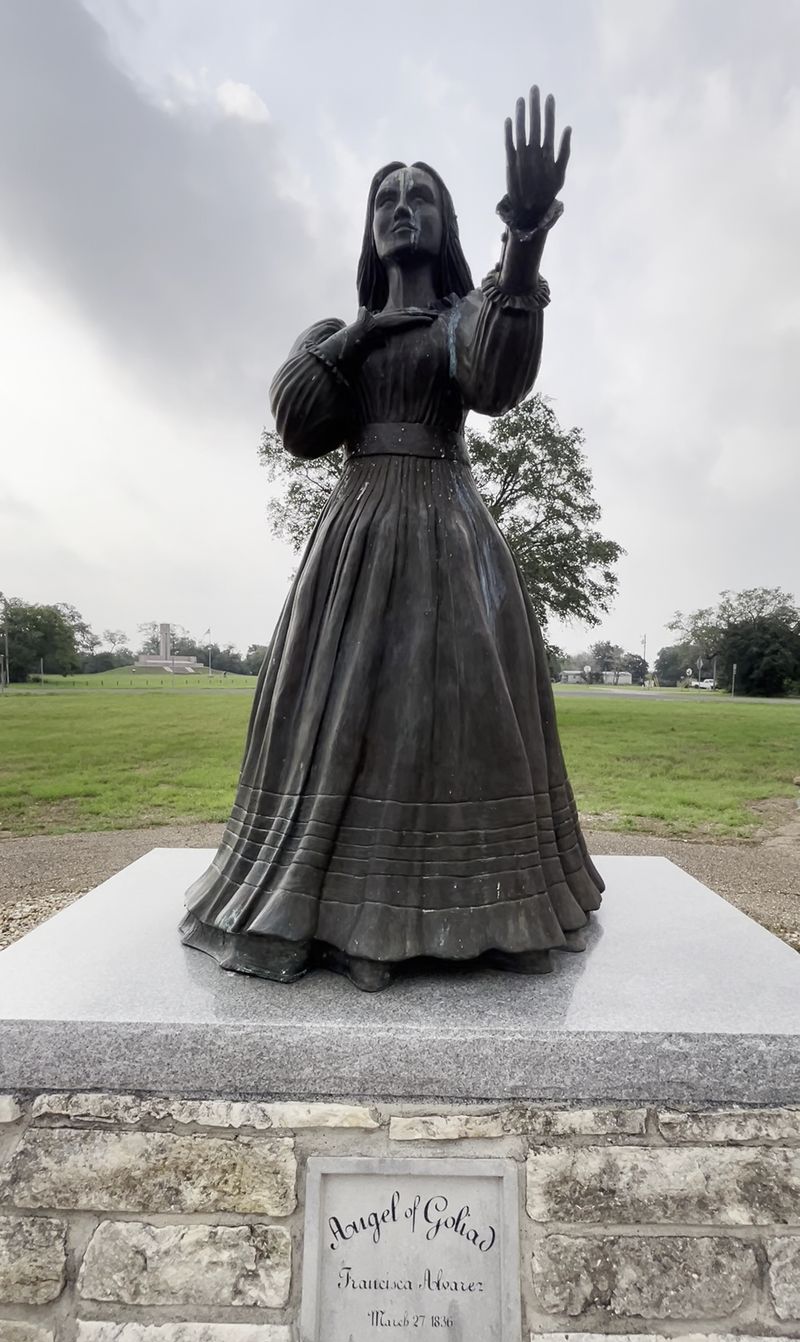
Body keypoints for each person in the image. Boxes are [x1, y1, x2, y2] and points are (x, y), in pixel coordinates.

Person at [180, 88, 604, 991]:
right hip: (355, 539)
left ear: (448, 223)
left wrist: (523, 237)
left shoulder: (463, 319)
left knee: (455, 716)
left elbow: (495, 378)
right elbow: (300, 425)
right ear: (369, 230)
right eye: (386, 198)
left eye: (422, 196)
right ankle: (322, 904)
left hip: (449, 539)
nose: (402, 207)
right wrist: (361, 334)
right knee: (337, 724)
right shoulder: (336, 337)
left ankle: (482, 902)